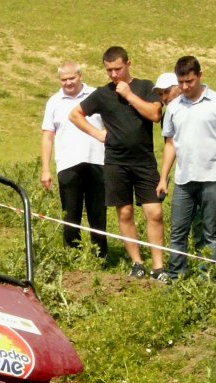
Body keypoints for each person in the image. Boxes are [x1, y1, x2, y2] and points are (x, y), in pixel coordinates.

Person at [70, 46, 167, 281]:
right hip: (115, 162)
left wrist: (129, 95)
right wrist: (98, 134)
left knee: (154, 212)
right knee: (124, 213)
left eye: (118, 69)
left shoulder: (145, 87)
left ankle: (159, 267)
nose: (114, 75)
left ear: (128, 64)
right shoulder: (102, 94)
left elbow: (155, 115)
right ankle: (137, 263)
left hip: (144, 161)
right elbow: (75, 114)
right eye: (109, 70)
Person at [156, 56, 216, 279]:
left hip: (213, 177)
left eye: (190, 81)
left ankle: (210, 278)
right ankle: (176, 277)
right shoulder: (173, 107)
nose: (185, 87)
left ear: (200, 76)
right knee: (178, 232)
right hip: (184, 179)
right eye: (181, 82)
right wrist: (163, 178)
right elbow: (170, 144)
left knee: (211, 232)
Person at [40, 61, 108, 258]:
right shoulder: (54, 102)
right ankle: (72, 256)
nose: (68, 83)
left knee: (98, 213)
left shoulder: (96, 95)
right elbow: (47, 136)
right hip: (68, 164)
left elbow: (111, 124)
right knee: (70, 213)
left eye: (72, 78)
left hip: (97, 161)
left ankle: (100, 256)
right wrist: (46, 169)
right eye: (64, 79)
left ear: (80, 76)